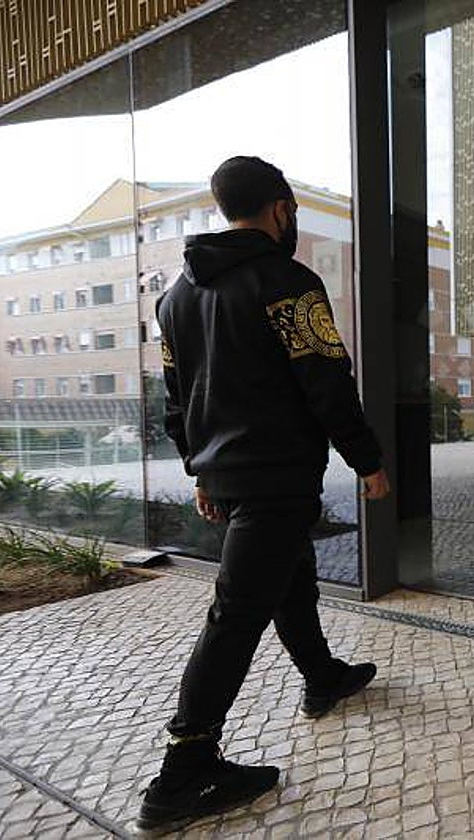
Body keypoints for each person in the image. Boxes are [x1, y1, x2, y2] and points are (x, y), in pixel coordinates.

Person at [138, 156, 391, 833]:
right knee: (237, 611)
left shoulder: (175, 299)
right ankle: (182, 769)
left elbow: (177, 399)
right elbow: (327, 381)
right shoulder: (288, 282)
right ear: (281, 208)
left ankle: (322, 675)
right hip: (276, 473)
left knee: (289, 576)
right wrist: (367, 461)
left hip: (229, 473)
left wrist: (201, 470)